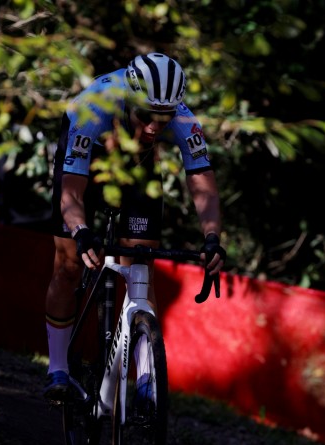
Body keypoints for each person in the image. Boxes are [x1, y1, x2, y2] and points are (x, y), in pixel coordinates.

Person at [43, 52, 226, 402]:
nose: (155, 127)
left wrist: (212, 238)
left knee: (141, 265)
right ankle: (57, 369)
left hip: (137, 164)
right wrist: (81, 232)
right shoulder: (93, 109)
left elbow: (202, 181)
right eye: (146, 117)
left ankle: (145, 377)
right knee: (67, 263)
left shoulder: (183, 117)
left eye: (164, 118)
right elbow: (71, 193)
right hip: (90, 158)